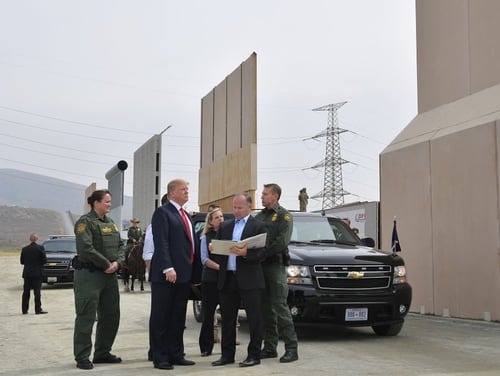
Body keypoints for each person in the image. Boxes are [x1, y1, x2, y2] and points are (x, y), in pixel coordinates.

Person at [149, 179, 202, 370]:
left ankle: (176, 354)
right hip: (166, 275)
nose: (187, 192)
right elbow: (161, 242)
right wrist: (167, 267)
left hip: (183, 276)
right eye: (183, 190)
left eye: (188, 189)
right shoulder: (163, 213)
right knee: (161, 316)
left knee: (177, 317)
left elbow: (190, 244)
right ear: (172, 193)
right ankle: (160, 357)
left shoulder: (185, 214)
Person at [211, 192, 267, 368]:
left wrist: (246, 253)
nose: (236, 211)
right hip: (228, 278)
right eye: (234, 207)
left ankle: (254, 355)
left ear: (249, 206)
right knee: (227, 319)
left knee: (254, 318)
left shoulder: (259, 226)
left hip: (250, 280)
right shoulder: (225, 226)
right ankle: (227, 355)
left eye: (240, 207)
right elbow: (220, 252)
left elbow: (263, 253)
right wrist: (214, 248)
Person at [73, 189, 126, 370]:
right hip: (90, 276)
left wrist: (118, 263)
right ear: (96, 202)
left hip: (109, 276)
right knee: (86, 315)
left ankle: (102, 352)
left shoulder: (111, 223)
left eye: (110, 201)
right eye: (107, 201)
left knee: (111, 316)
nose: (109, 204)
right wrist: (106, 264)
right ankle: (82, 356)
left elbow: (121, 245)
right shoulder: (85, 223)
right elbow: (85, 248)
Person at [256, 183, 299, 363]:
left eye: (265, 194)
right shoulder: (259, 216)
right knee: (266, 309)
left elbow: (282, 241)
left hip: (275, 266)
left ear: (275, 196)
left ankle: (291, 349)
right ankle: (270, 347)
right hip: (261, 267)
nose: (262, 197)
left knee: (280, 307)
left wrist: (265, 252)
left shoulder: (284, 216)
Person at [198, 207, 224, 356]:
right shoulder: (205, 238)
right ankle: (206, 347)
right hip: (210, 280)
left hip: (226, 280)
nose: (220, 219)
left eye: (221, 217)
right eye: (217, 217)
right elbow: (204, 259)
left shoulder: (228, 235)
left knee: (228, 316)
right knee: (208, 315)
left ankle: (226, 349)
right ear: (210, 221)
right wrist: (220, 268)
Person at [20, 233, 48, 315]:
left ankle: (24, 310)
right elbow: (44, 261)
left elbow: (22, 262)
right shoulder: (40, 248)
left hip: (27, 273)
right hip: (37, 274)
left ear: (30, 239)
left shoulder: (24, 249)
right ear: (36, 239)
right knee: (37, 292)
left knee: (26, 292)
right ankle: (38, 309)